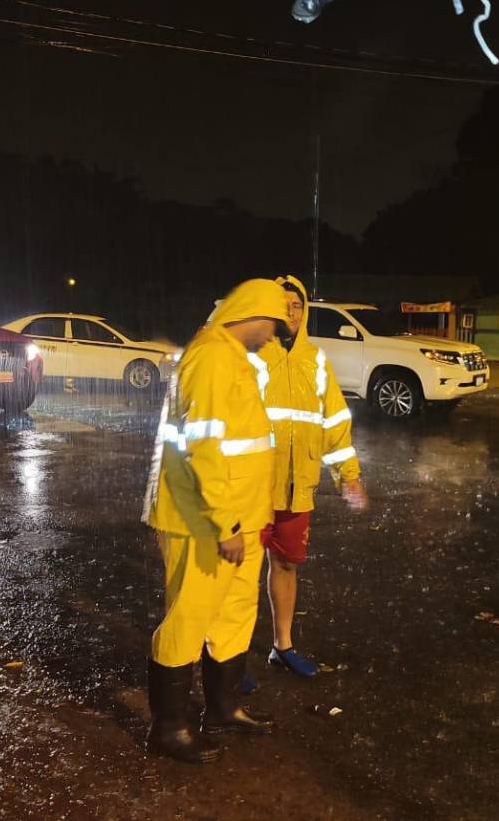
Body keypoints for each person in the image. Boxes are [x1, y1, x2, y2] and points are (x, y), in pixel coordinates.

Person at [142, 278, 290, 764]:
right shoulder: (210, 358)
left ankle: (222, 710)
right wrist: (225, 524)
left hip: (238, 521)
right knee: (188, 618)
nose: (272, 334)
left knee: (232, 617)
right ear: (249, 312)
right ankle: (169, 729)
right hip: (204, 522)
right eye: (272, 322)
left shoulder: (233, 359)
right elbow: (204, 448)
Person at [258, 275, 366, 679]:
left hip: (296, 485)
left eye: (297, 305)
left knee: (286, 565)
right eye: (283, 304)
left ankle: (282, 646)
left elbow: (334, 422)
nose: (291, 311)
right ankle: (225, 660)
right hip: (251, 487)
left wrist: (347, 476)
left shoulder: (315, 359)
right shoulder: (250, 354)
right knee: (234, 576)